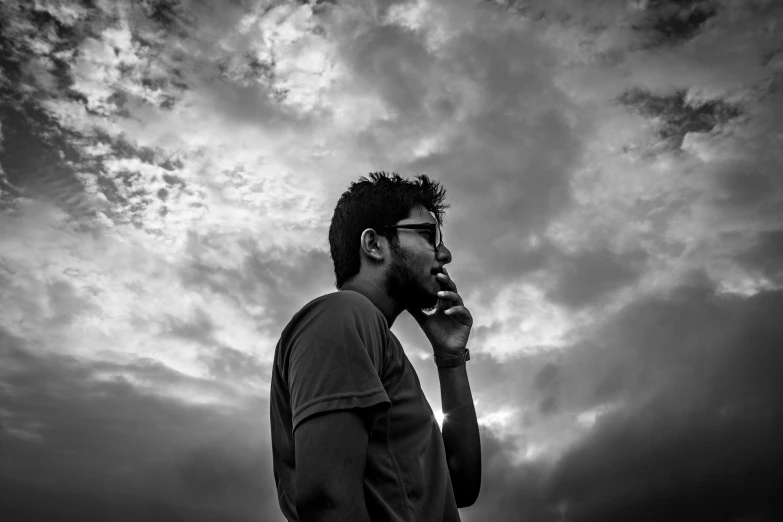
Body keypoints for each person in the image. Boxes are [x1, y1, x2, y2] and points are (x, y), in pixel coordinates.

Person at [270, 172, 481, 521]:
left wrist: (451, 357)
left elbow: (460, 486)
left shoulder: (374, 337)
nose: (444, 254)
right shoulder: (342, 315)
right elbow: (327, 503)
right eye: (428, 235)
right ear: (374, 244)